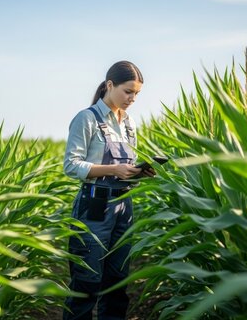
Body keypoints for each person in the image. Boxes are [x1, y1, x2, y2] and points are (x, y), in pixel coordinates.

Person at [62, 60, 155, 319]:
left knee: (116, 282)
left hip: (124, 207)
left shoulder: (129, 123)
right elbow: (71, 165)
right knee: (87, 282)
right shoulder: (86, 119)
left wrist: (139, 173)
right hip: (94, 207)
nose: (133, 98)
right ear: (110, 85)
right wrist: (113, 170)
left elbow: (126, 165)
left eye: (137, 93)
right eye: (128, 91)